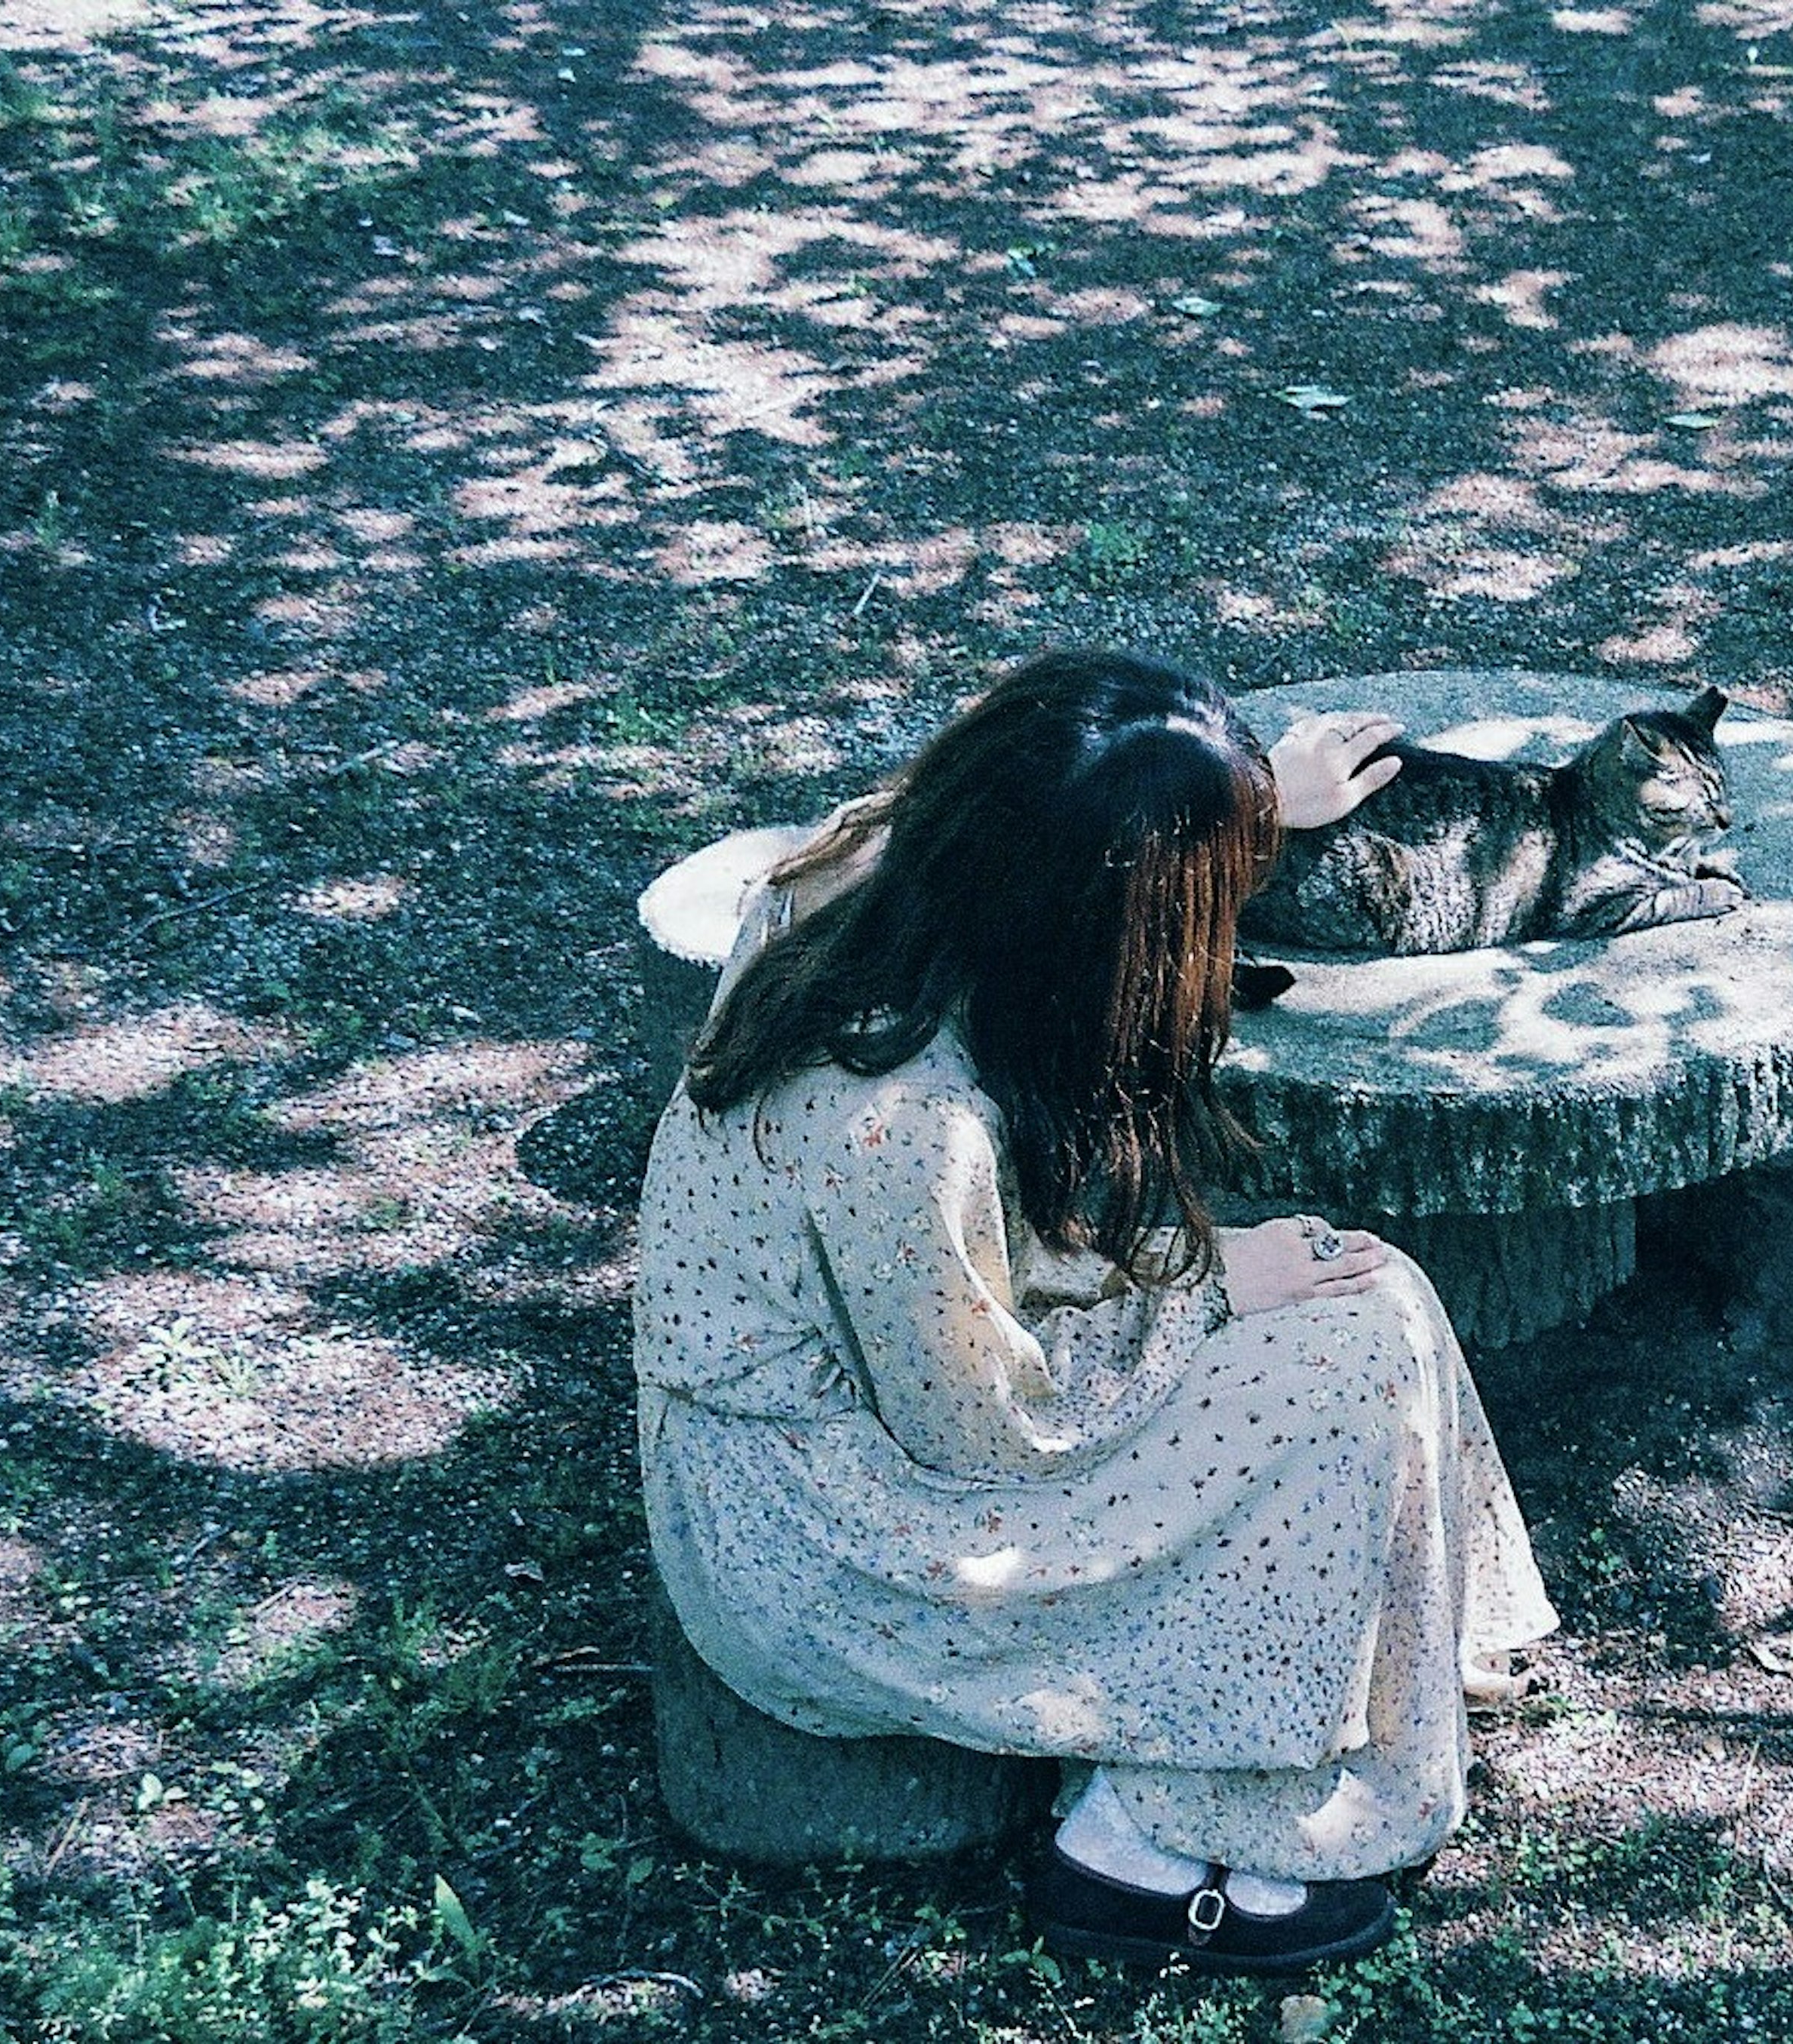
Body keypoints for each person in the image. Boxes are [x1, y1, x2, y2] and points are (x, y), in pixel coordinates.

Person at [634, 648, 1557, 1975]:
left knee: (1375, 1294)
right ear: (1091, 920)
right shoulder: (902, 1129)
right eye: (1201, 905)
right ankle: (1151, 1828)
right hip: (823, 1525)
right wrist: (1218, 1283)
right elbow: (995, 1434)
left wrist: (1247, 800)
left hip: (888, 1391)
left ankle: (1354, 1668)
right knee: (1341, 1359)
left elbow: (1044, 786)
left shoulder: (882, 864)